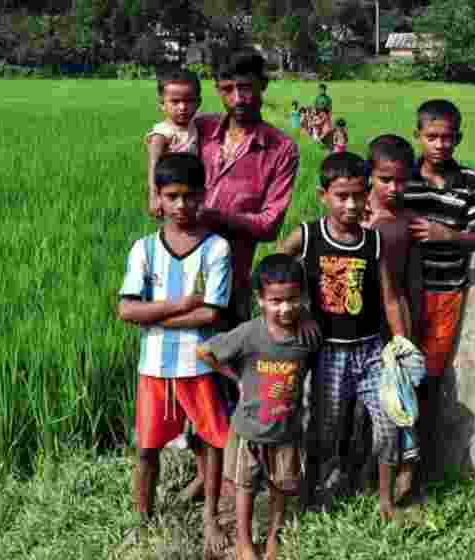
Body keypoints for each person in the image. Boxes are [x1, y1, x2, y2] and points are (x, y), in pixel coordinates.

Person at [181, 51, 300, 501]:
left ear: (263, 87)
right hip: (183, 271)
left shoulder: (279, 148)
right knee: (189, 373)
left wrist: (214, 215)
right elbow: (162, 141)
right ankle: (202, 466)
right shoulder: (203, 130)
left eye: (247, 88)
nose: (238, 98)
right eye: (229, 89)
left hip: (234, 278)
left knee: (229, 374)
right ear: (218, 89)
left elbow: (269, 223)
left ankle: (235, 473)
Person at [277, 152, 416, 520]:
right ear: (324, 194)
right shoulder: (307, 236)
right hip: (328, 353)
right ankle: (311, 492)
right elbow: (279, 262)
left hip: (371, 351)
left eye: (358, 195)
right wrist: (300, 310)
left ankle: (385, 501)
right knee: (324, 427)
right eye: (342, 196)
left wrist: (400, 340)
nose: (352, 205)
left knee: (388, 422)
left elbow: (388, 297)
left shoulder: (373, 243)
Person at [116, 152, 231, 555]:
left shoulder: (216, 248)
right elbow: (126, 309)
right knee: (147, 448)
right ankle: (142, 519)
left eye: (190, 196)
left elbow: (212, 312)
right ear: (159, 199)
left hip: (197, 364)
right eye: (172, 196)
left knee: (211, 442)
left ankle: (211, 516)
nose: (182, 205)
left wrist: (152, 315)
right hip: (154, 368)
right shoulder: (145, 248)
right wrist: (181, 305)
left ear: (204, 194)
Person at [197, 254, 319, 560]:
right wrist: (235, 377)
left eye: (292, 299)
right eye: (276, 301)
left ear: (302, 297)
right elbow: (205, 351)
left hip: (286, 431)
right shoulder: (250, 333)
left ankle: (275, 536)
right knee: (245, 487)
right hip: (248, 430)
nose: (285, 308)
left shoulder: (308, 335)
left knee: (282, 487)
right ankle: (245, 542)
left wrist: (308, 318)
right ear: (260, 300)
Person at [402, 99, 475, 480]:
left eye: (448, 137)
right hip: (406, 292)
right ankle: (392, 458)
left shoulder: (468, 183)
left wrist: (449, 234)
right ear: (418, 137)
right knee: (400, 370)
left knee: (431, 374)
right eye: (432, 137)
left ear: (459, 138)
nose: (440, 144)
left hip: (446, 292)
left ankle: (423, 457)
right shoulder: (403, 179)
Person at [362, 134, 423, 501]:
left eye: (401, 180)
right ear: (370, 175)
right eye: (385, 179)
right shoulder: (355, 214)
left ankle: (407, 467)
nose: (394, 188)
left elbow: (411, 283)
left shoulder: (407, 222)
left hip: (395, 320)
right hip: (356, 322)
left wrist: (410, 332)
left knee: (400, 395)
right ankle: (362, 468)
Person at [145, 69, 202, 218]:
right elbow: (153, 165)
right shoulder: (161, 134)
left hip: (194, 192)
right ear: (162, 104)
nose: (182, 107)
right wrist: (153, 196)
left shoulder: (197, 124)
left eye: (188, 101)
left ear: (198, 103)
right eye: (175, 102)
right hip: (172, 194)